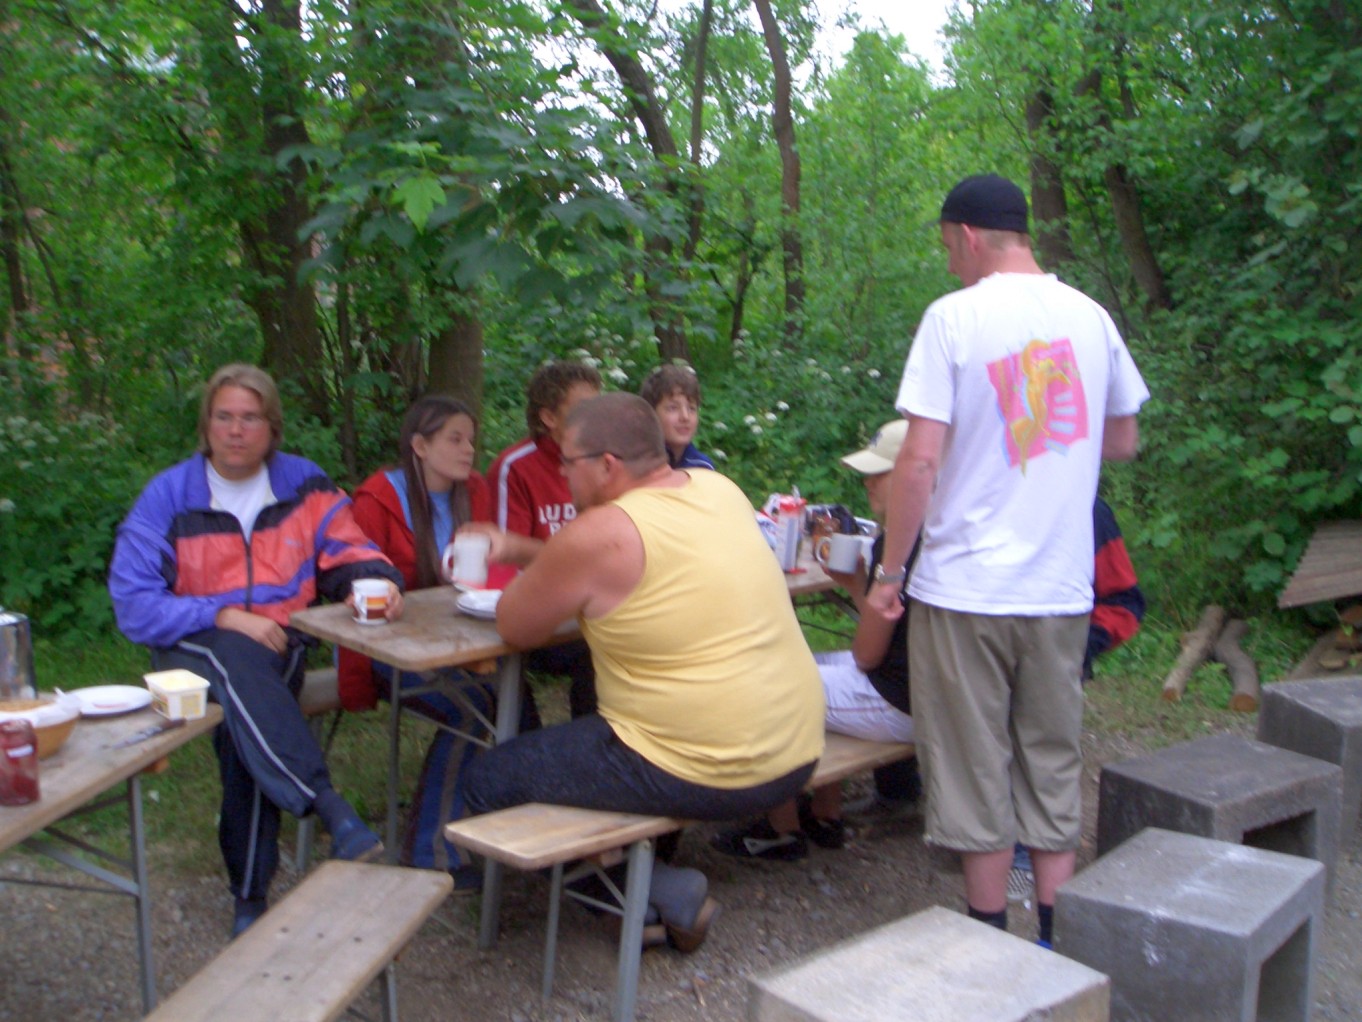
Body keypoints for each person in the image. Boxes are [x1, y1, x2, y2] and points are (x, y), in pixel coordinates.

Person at [866, 174, 1150, 949]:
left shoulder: (953, 318)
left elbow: (919, 460)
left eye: (946, 246)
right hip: (1059, 588)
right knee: (1050, 763)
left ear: (966, 235)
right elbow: (1123, 438)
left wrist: (889, 576)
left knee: (972, 768)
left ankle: (991, 942)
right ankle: (1054, 942)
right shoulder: (1091, 317)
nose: (948, 261)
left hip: (964, 590)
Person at [463, 392, 825, 951]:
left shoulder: (602, 531)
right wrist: (525, 548)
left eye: (568, 462)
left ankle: (654, 888)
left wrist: (513, 551)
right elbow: (606, 568)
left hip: (711, 769)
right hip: (796, 750)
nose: (562, 474)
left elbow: (515, 624)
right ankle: (640, 881)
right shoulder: (718, 489)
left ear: (607, 465)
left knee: (488, 782)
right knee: (589, 723)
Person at [109, 364, 403, 937]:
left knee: (245, 729)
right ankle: (326, 804)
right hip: (189, 647)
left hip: (276, 643)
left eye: (250, 418)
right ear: (206, 425)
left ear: (272, 427)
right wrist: (220, 614)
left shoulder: (303, 484)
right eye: (224, 417)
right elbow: (133, 604)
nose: (236, 430)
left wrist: (377, 582)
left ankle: (250, 895)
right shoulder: (169, 495)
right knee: (232, 657)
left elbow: (350, 549)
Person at [712, 419, 919, 861]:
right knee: (805, 663)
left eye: (878, 474)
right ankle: (826, 816)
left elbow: (867, 656)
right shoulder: (936, 535)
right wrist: (858, 585)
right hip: (930, 696)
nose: (867, 484)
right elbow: (889, 636)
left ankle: (780, 829)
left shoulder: (897, 547)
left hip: (901, 702)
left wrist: (859, 585)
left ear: (913, 475)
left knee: (765, 685)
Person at [341, 395, 496, 891]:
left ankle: (505, 831)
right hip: (390, 653)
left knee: (512, 700)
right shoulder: (377, 501)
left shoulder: (475, 492)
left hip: (466, 639)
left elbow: (495, 569)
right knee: (474, 709)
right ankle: (431, 849)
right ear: (420, 446)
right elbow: (356, 587)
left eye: (471, 439)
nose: (468, 449)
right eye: (455, 439)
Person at [1008, 494, 1146, 902]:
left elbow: (1125, 599)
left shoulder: (1086, 507)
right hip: (987, 641)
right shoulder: (984, 491)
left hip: (1054, 651)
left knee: (1041, 758)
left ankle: (1025, 856)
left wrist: (1079, 648)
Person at [486, 360, 601, 718]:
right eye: (583, 409)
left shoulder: (603, 463)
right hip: (536, 608)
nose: (594, 418)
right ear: (549, 417)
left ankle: (599, 741)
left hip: (590, 605)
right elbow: (504, 557)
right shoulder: (516, 467)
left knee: (611, 651)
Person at [639, 363, 715, 469]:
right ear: (651, 414)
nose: (685, 417)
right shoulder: (636, 464)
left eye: (691, 408)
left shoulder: (702, 466)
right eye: (673, 408)